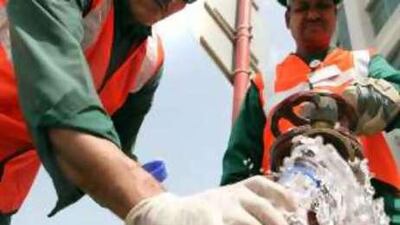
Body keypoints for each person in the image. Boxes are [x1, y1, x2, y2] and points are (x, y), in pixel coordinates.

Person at [1, 0, 299, 224]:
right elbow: (65, 111)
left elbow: (115, 153)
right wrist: (156, 204)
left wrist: (170, 198)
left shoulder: (148, 61)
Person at [221, 0, 400, 224]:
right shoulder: (263, 86)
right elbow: (239, 167)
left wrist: (371, 99)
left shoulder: (364, 63)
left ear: (335, 14)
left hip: (373, 203)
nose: (313, 15)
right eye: (303, 7)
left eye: (322, 6)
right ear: (288, 19)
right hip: (289, 209)